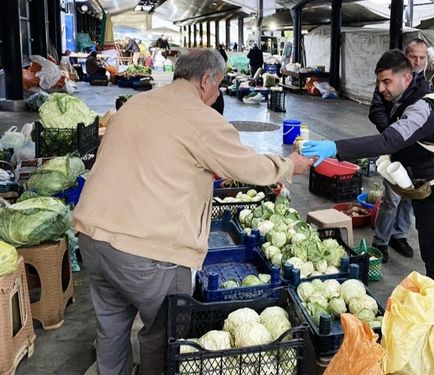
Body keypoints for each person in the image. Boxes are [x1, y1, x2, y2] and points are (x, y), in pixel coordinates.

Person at [73, 49, 313, 375]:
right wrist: (290, 165)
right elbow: (250, 166)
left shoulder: (135, 105)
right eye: (220, 84)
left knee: (111, 329)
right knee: (163, 335)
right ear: (205, 81)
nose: (219, 93)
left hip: (92, 238)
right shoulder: (201, 119)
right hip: (147, 254)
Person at [301, 49, 434, 301]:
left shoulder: (422, 108)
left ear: (407, 78)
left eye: (386, 81)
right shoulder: (403, 98)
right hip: (428, 180)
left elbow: (389, 140)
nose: (380, 88)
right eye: (378, 81)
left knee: (433, 247)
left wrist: (337, 147)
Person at [367, 38, 432, 262]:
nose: (418, 61)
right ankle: (380, 241)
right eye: (413, 56)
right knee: (391, 197)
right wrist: (393, 136)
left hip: (415, 151)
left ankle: (399, 235)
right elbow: (376, 109)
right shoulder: (389, 79)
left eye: (422, 57)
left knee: (409, 196)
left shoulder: (425, 84)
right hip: (394, 147)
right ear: (406, 56)